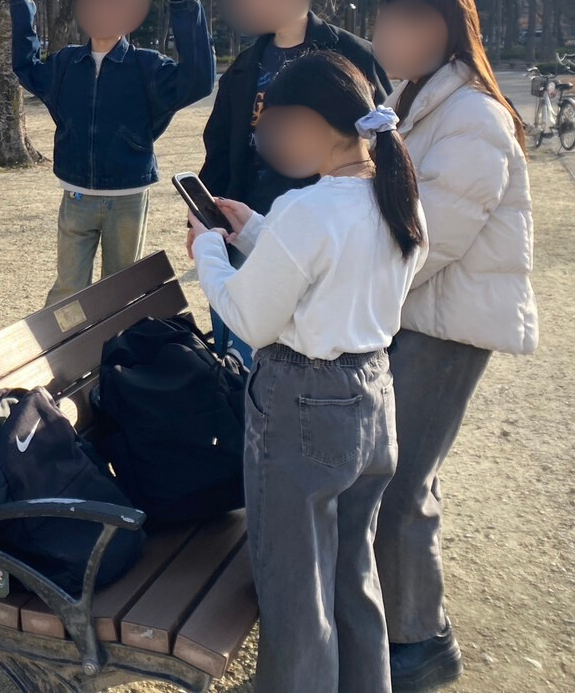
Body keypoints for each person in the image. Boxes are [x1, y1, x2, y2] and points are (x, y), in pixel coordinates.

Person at [190, 50, 426, 693]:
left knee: (296, 588)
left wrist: (207, 248)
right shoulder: (397, 195)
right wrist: (253, 232)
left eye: (278, 123)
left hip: (302, 403)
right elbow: (334, 273)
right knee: (352, 573)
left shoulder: (310, 208)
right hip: (372, 394)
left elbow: (250, 317)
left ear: (314, 123)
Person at [369, 0, 537, 691]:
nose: (381, 39)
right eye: (379, 24)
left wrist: (352, 289)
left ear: (439, 32)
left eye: (397, 26)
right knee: (390, 476)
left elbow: (430, 238)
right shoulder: (410, 100)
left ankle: (420, 642)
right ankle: (398, 625)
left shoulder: (471, 114)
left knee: (402, 483)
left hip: (444, 326)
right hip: (415, 315)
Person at [200, 0, 390, 365]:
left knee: (289, 356)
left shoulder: (351, 56)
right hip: (243, 225)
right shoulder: (245, 66)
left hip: (317, 235)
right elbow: (220, 147)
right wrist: (208, 213)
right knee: (235, 359)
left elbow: (383, 140)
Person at [11, 0, 215, 305]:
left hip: (127, 196)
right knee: (68, 290)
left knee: (120, 291)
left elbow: (198, 81)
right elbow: (26, 66)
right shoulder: (66, 63)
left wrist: (186, 12)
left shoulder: (147, 66)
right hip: (76, 195)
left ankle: (115, 340)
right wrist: (24, 7)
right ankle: (66, 341)